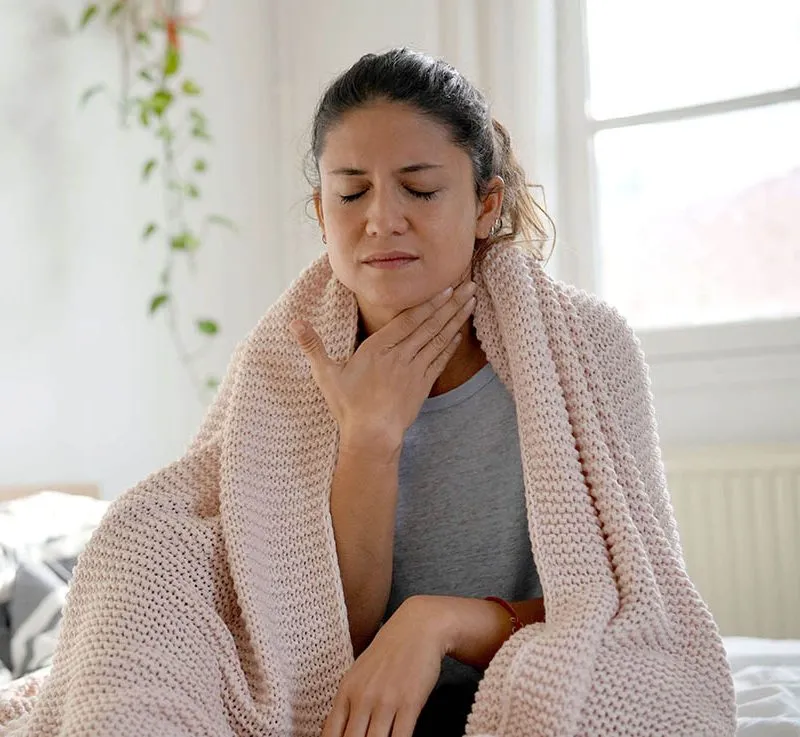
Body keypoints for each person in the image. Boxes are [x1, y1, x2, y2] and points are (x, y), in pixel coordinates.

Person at [289, 47, 551, 737]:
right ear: (322, 213)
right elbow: (311, 648)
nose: (381, 219)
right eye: (351, 192)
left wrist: (439, 622)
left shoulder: (578, 357)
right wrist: (369, 439)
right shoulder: (286, 378)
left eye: (420, 188)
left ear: (485, 204)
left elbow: (630, 603)